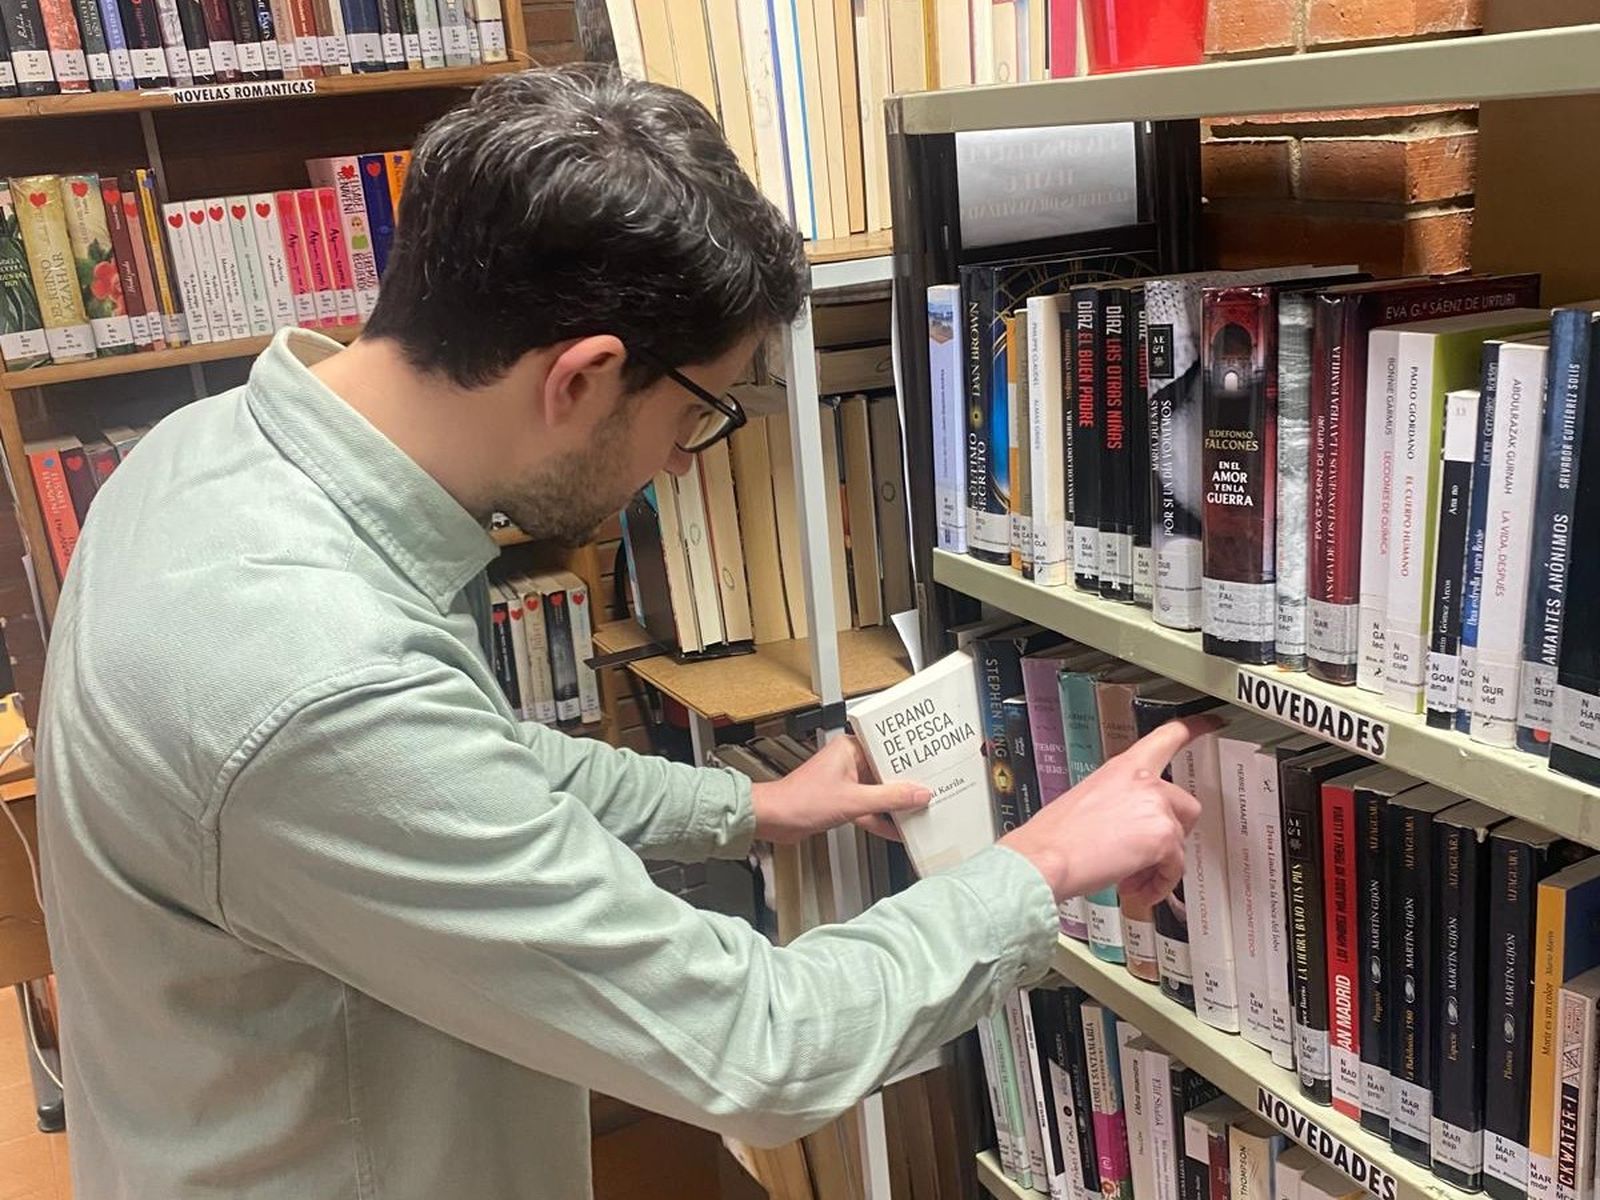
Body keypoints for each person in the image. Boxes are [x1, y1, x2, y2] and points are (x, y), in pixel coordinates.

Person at [34, 64, 1205, 1199]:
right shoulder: (313, 679)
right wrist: (1043, 864)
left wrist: (744, 807)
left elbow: (461, 766)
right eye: (699, 414)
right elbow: (759, 1047)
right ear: (584, 378)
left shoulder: (206, 453)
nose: (671, 467)